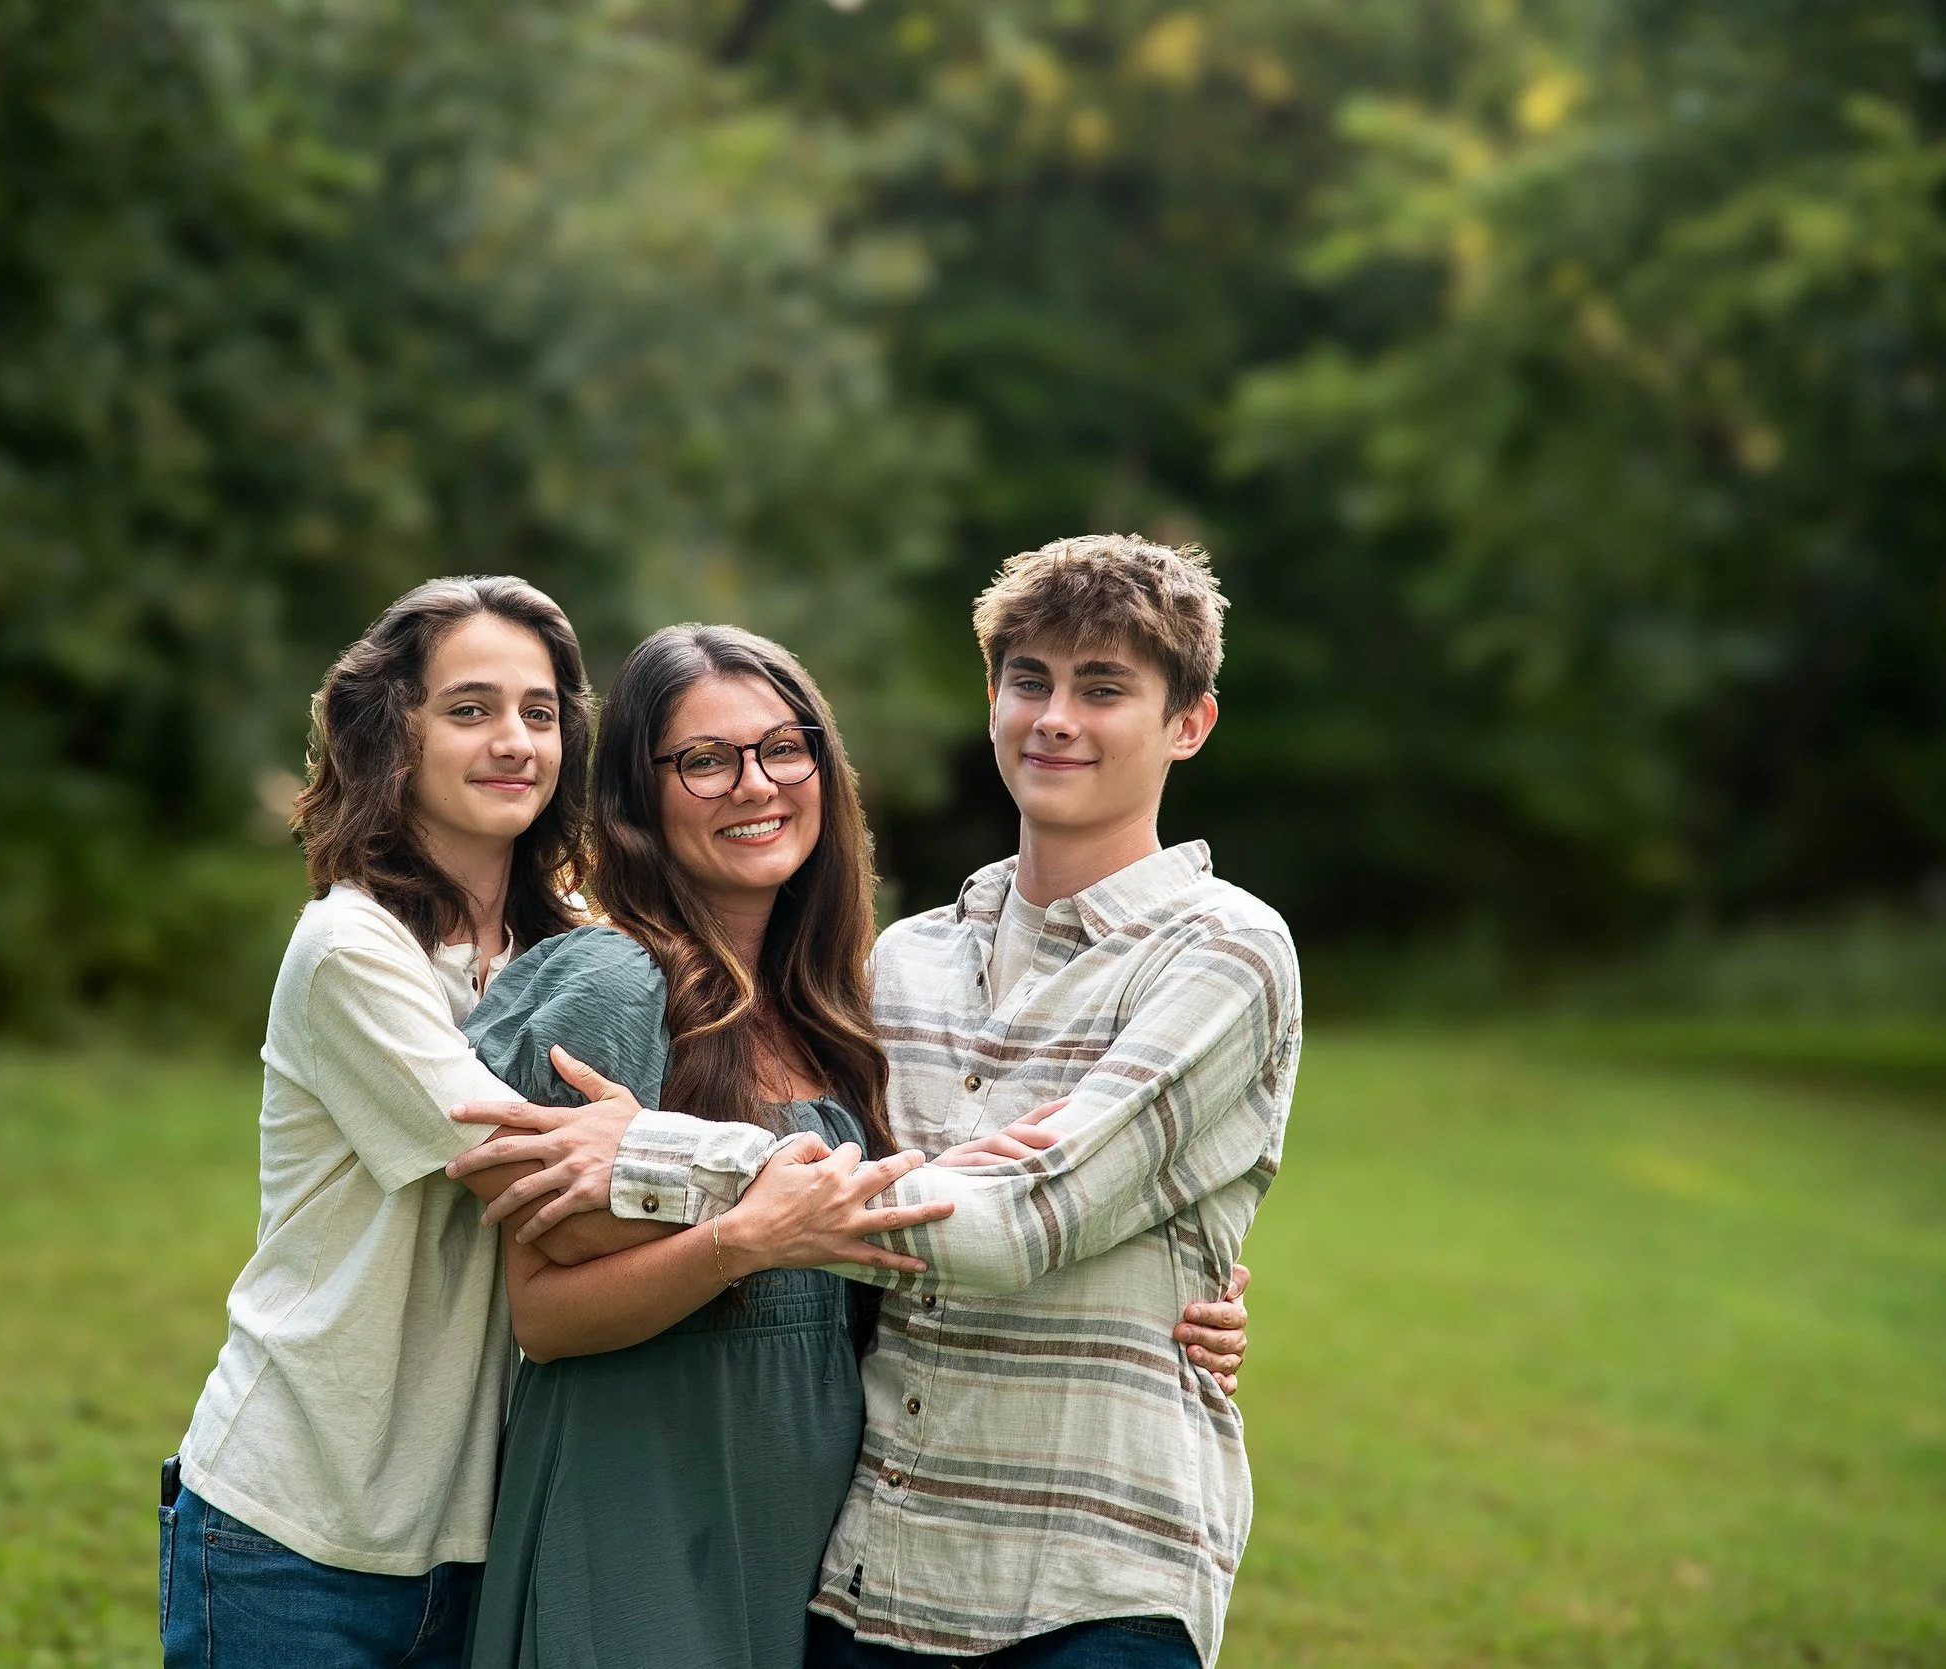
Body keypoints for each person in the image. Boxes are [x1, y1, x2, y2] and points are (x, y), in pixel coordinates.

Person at [460, 534, 1295, 1667]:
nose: (1055, 718)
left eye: (1103, 689)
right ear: (991, 700)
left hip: (1084, 1579)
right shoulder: (899, 968)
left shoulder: (1224, 951)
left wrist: (660, 1155)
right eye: (1028, 682)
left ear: (1187, 724)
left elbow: (1008, 1223)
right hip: (870, 1582)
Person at [159, 577, 941, 1669]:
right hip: (309, 1513)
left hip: (469, 1513)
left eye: (538, 712)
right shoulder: (354, 951)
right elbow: (545, 1189)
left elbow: (624, 1170)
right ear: (396, 733)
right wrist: (750, 1195)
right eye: (469, 709)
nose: (513, 741)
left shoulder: (568, 946)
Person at [456, 624, 918, 1669]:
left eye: (781, 746)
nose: (753, 783)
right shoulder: (617, 980)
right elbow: (544, 1311)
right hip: (640, 1514)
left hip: (808, 1539)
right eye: (704, 760)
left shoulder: (836, 1007)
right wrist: (741, 1238)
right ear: (638, 798)